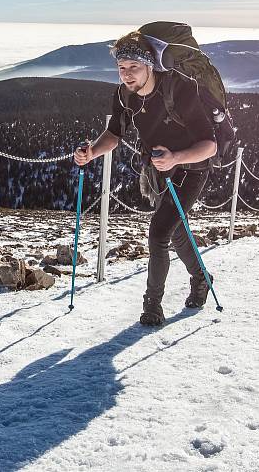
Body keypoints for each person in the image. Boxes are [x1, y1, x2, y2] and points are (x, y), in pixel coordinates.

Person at [74, 31, 218, 326]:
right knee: (175, 230)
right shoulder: (123, 94)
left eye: (133, 67)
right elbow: (115, 133)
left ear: (150, 64)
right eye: (121, 68)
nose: (126, 75)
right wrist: (92, 152)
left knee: (159, 232)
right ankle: (201, 278)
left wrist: (176, 158)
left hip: (191, 168)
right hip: (158, 169)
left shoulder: (181, 88)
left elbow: (210, 145)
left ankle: (152, 306)